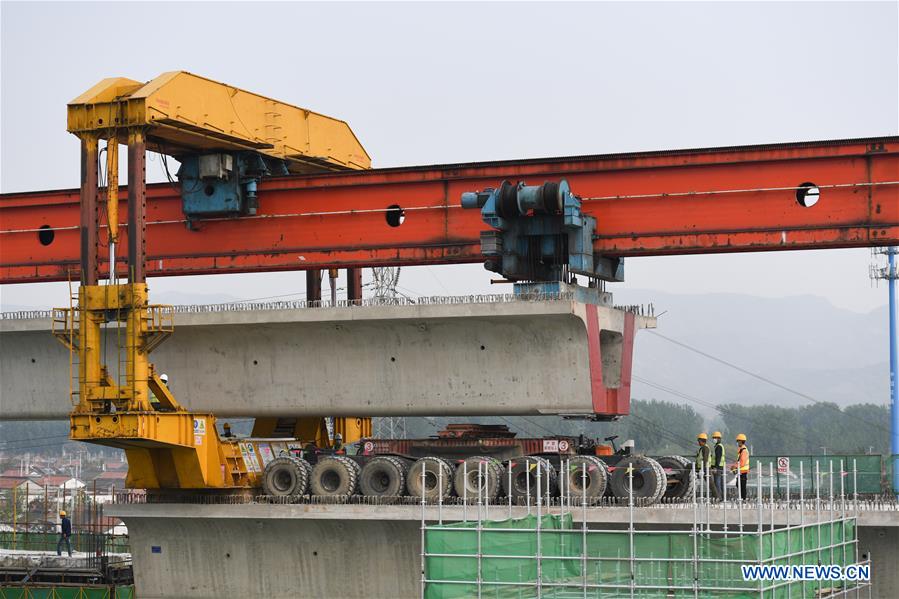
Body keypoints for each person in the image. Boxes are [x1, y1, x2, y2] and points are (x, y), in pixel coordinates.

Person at [730, 433, 750, 500]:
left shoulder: (744, 451)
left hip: (743, 472)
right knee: (739, 485)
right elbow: (739, 461)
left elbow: (742, 463)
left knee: (742, 486)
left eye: (738, 441)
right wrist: (734, 466)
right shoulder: (741, 450)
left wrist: (735, 467)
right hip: (741, 471)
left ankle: (743, 499)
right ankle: (742, 498)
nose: (737, 443)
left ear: (741, 441)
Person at [711, 431, 725, 499]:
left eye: (715, 438)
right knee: (720, 483)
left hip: (718, 467)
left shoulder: (719, 447)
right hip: (720, 467)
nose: (714, 439)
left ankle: (719, 497)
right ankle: (722, 497)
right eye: (713, 438)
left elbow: (718, 458)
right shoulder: (717, 446)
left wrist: (715, 468)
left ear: (719, 438)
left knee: (717, 483)